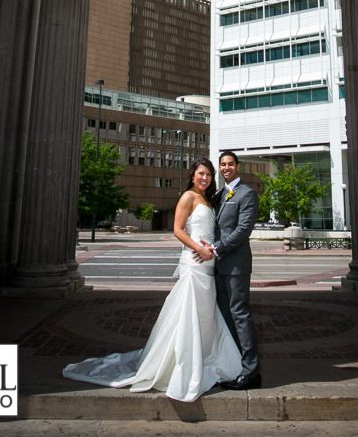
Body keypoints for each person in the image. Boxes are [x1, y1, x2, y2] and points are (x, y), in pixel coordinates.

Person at [62, 158, 241, 402]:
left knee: (206, 314)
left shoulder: (210, 200)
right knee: (189, 313)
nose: (205, 178)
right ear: (192, 175)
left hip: (209, 264)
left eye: (208, 175)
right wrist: (198, 249)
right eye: (201, 173)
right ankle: (181, 362)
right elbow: (178, 230)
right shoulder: (188, 197)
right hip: (194, 261)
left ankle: (207, 355)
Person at [196, 150, 261, 390]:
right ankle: (235, 366)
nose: (226, 168)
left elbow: (243, 230)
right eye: (222, 165)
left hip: (236, 265)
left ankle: (251, 372)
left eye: (230, 164)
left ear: (238, 166)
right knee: (226, 317)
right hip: (218, 266)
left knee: (241, 315)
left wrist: (217, 247)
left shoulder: (247, 194)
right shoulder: (219, 195)